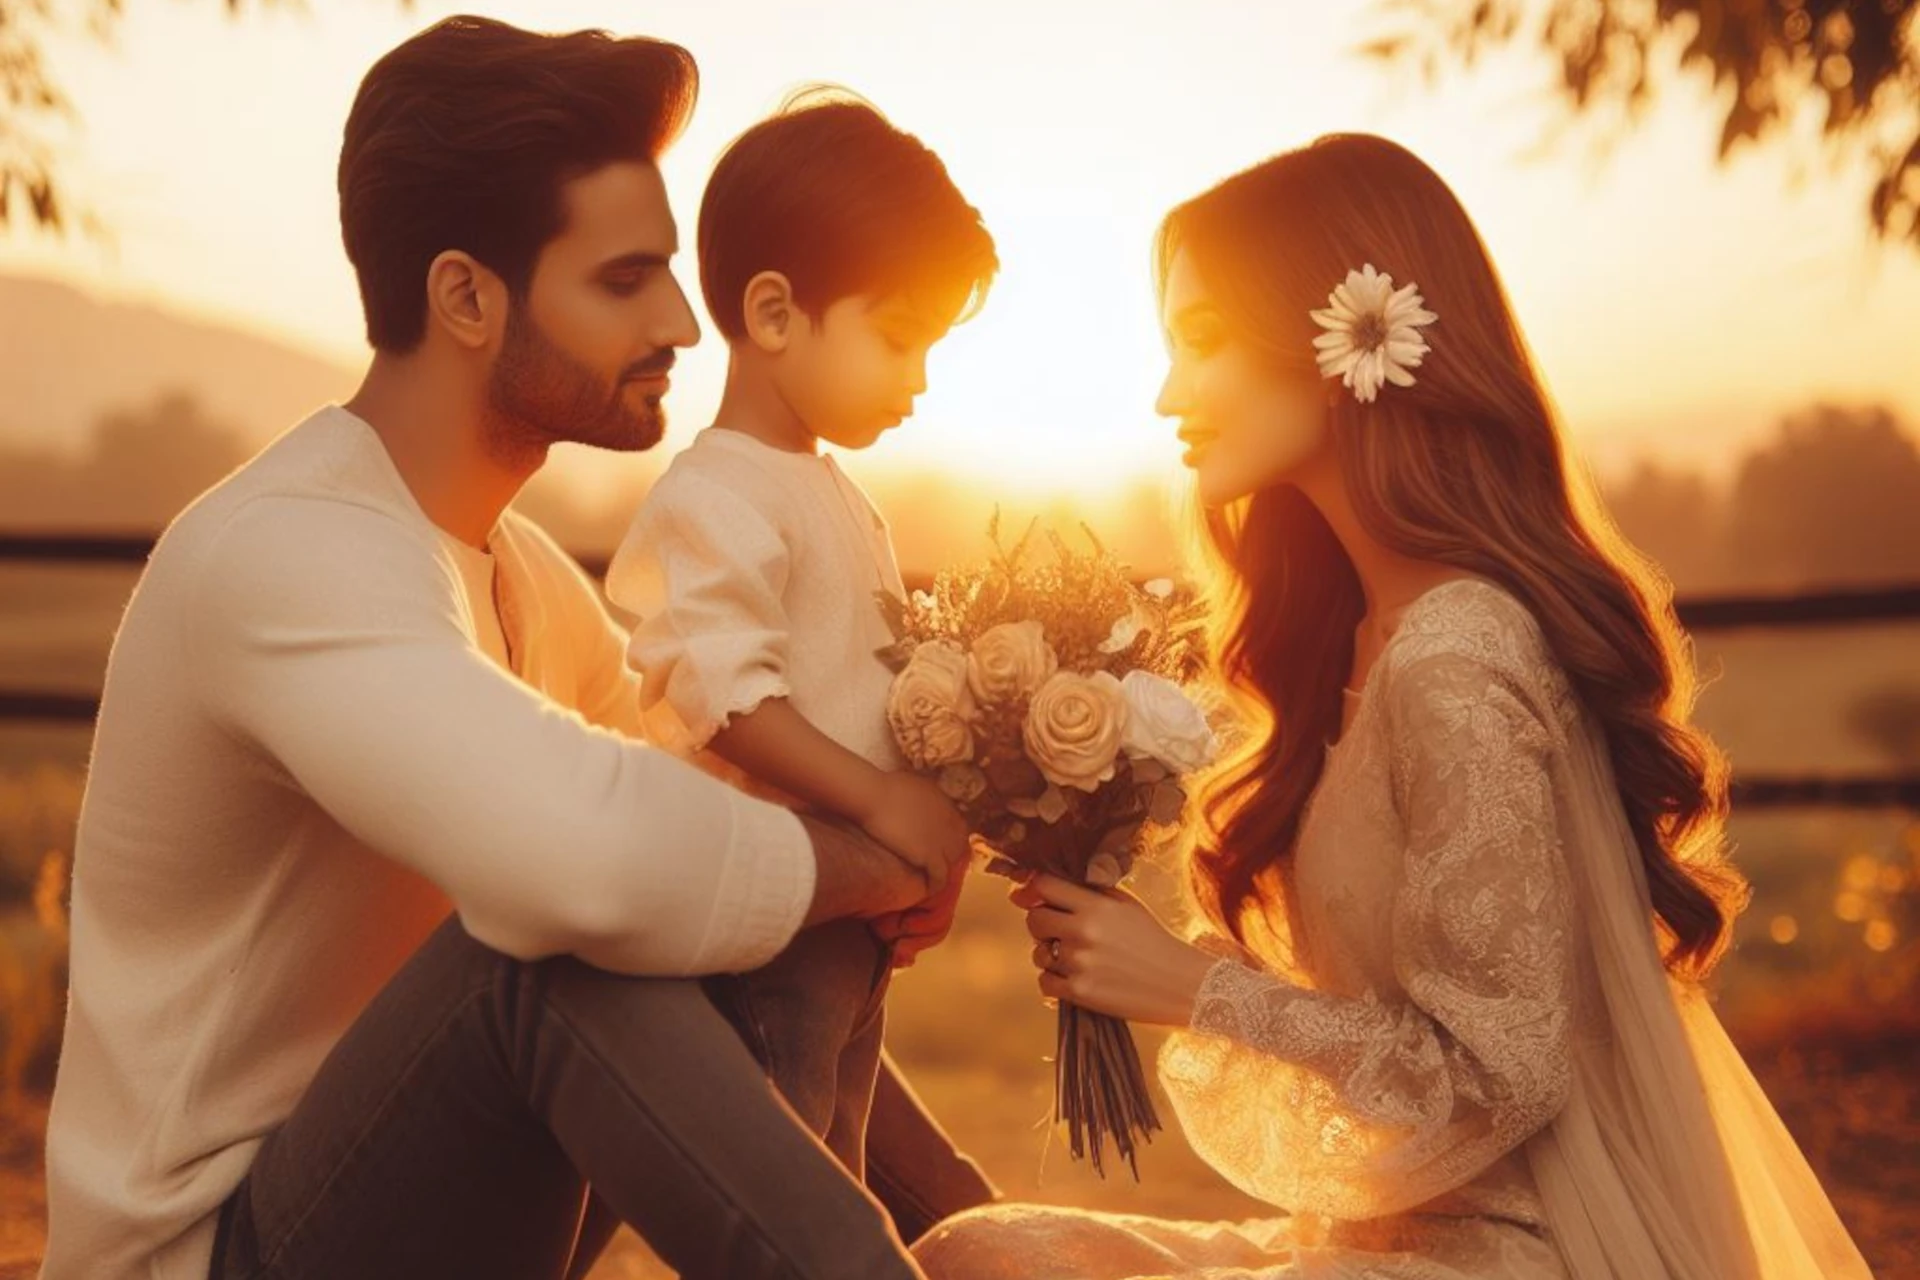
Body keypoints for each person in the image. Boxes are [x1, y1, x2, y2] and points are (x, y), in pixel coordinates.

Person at [37, 18, 990, 1280]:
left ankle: (992, 1243)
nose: (683, 322)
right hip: (218, 1253)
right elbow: (589, 856)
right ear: (466, 296)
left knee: (665, 895)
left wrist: (875, 884)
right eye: (622, 280)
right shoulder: (288, 550)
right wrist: (875, 854)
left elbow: (686, 824)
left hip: (419, 1210)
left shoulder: (522, 571)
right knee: (541, 948)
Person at [911, 133, 1873, 1279]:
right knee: (980, 1246)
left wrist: (1194, 988)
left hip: (1505, 1254)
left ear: (1344, 341)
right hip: (1382, 1235)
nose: (1169, 391)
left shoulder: (1456, 657)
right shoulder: (1362, 640)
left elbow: (1503, 1064)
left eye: (1204, 340)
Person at [606, 90, 997, 1180]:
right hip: (769, 917)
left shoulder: (830, 491)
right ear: (775, 314)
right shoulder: (717, 494)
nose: (918, 379)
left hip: (848, 913)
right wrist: (878, 800)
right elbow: (720, 692)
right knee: (788, 1175)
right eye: (899, 337)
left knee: (843, 1151)